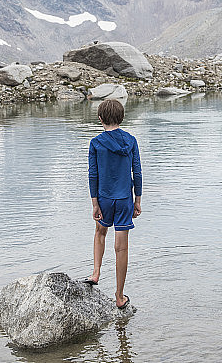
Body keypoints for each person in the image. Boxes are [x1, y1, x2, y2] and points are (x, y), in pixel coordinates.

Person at [84, 98, 142, 309]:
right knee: (121, 248)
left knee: (100, 233)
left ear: (100, 119)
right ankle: (119, 296)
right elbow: (137, 172)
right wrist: (137, 200)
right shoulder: (131, 141)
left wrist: (95, 203)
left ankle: (96, 273)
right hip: (124, 199)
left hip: (104, 197)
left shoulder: (96, 143)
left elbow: (93, 175)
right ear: (122, 118)